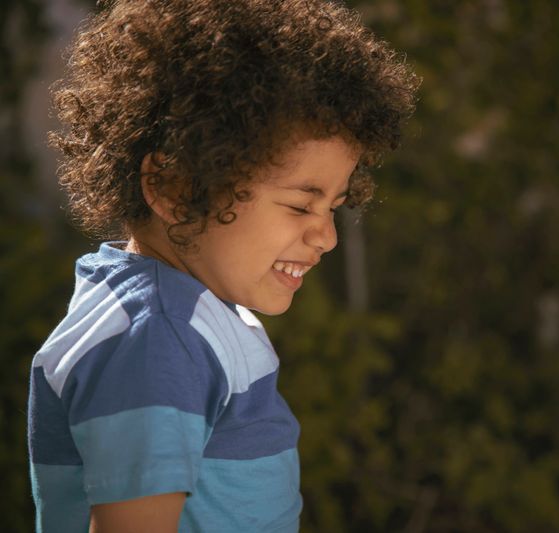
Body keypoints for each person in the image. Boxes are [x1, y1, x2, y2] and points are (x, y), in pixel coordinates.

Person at [27, 0, 418, 531]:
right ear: (175, 188)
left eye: (334, 207)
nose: (325, 236)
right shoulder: (158, 340)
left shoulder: (184, 315)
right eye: (301, 205)